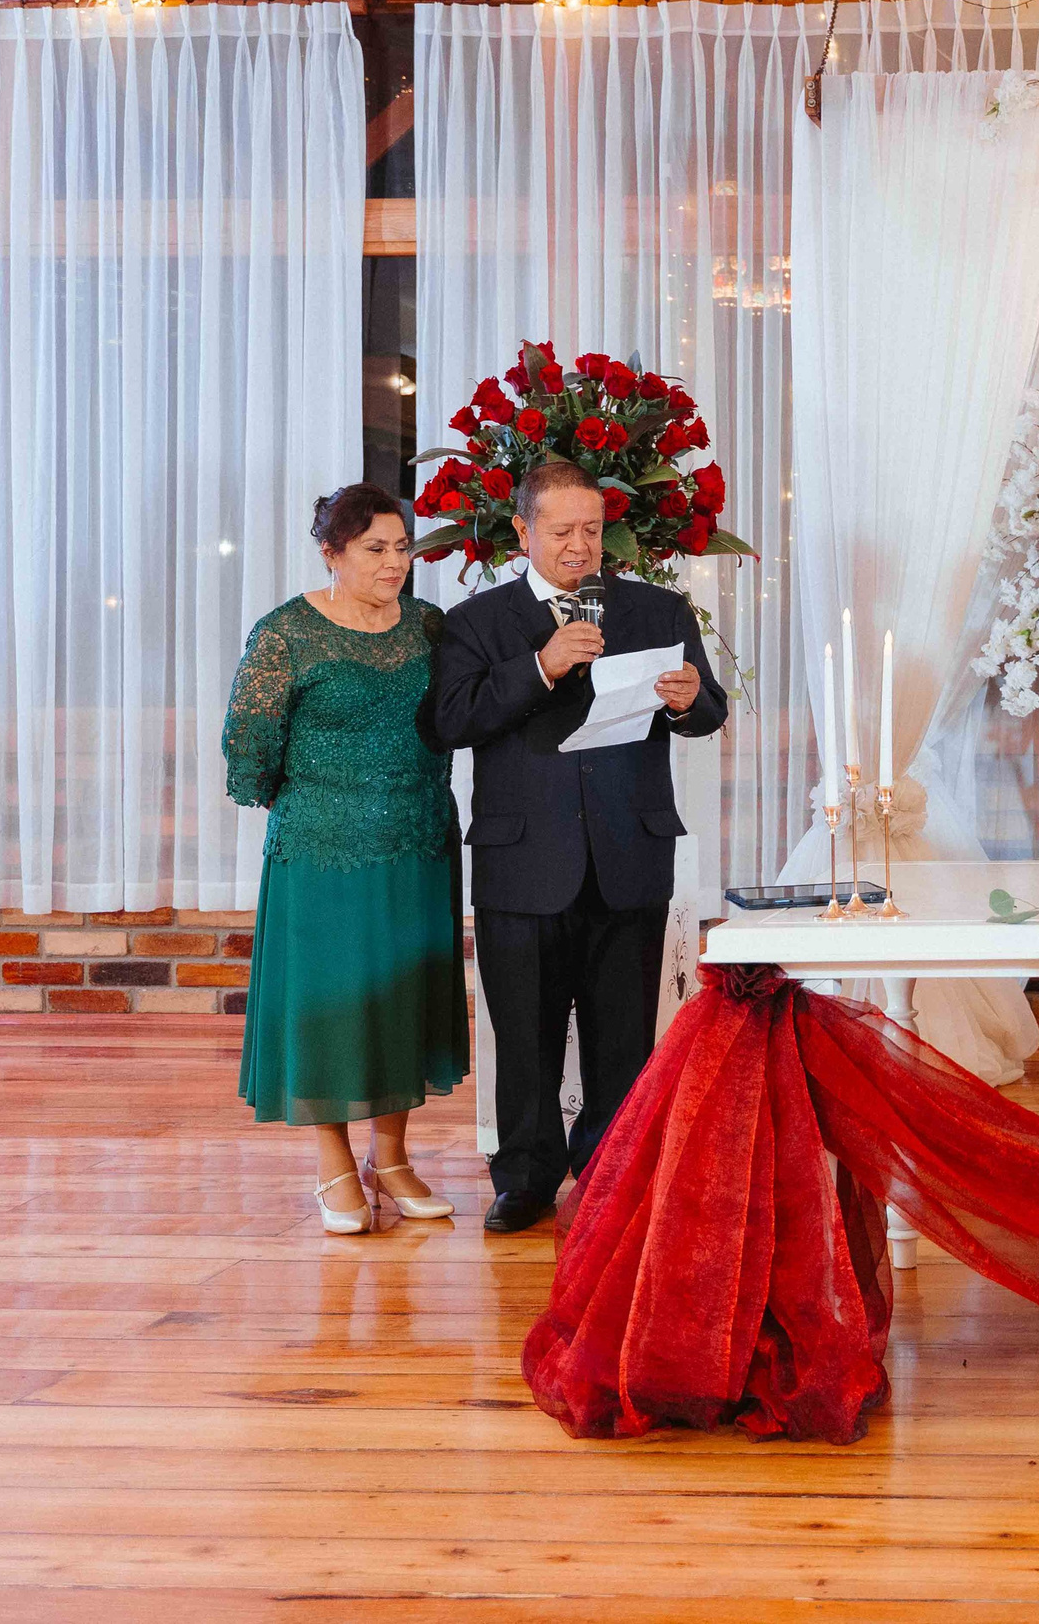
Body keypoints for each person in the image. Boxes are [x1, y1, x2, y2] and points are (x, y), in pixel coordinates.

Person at [430, 457, 728, 1233]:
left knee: (622, 1033)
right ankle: (524, 1178)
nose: (578, 546)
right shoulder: (476, 622)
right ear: (523, 531)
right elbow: (451, 722)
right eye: (560, 531)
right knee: (524, 1032)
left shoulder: (658, 611)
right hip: (521, 861)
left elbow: (709, 709)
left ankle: (612, 1173)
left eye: (592, 530)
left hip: (629, 852)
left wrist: (694, 700)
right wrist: (539, 665)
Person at [224, 483, 468, 1235]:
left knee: (402, 997)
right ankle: (333, 1164)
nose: (395, 562)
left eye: (403, 548)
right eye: (375, 549)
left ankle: (389, 1158)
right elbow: (247, 751)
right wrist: (317, 801)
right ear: (331, 552)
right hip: (322, 850)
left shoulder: (429, 624)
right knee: (330, 1004)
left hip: (417, 841)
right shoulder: (286, 634)